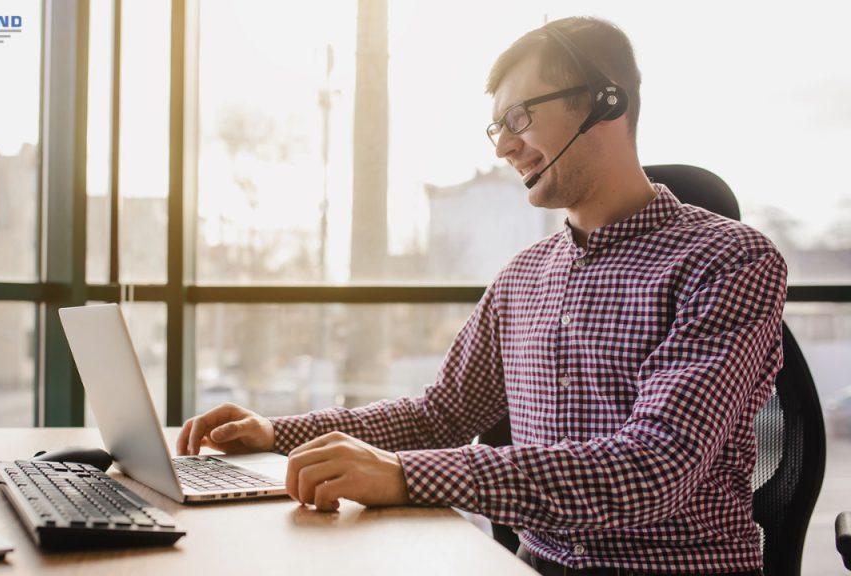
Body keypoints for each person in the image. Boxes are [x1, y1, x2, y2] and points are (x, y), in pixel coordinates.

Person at [177, 16, 782, 576]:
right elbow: (440, 415)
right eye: (498, 127)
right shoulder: (523, 276)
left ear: (605, 102)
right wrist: (275, 432)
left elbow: (654, 468)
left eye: (519, 117)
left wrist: (402, 476)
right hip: (531, 565)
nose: (502, 147)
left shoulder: (729, 262)